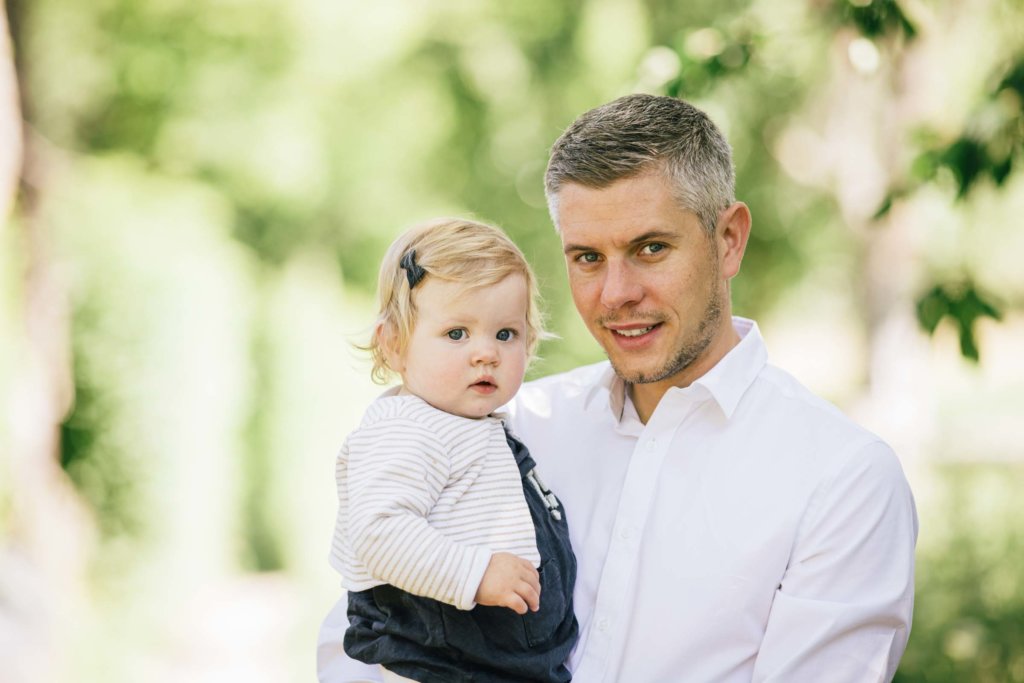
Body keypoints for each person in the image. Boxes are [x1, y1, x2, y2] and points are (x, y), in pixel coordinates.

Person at [319, 95, 918, 683]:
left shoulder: (844, 481)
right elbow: (361, 640)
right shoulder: (507, 423)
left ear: (729, 239)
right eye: (587, 257)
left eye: (650, 248)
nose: (615, 294)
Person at [329, 217, 578, 683]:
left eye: (506, 334)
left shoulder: (479, 427)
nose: (486, 353)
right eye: (457, 334)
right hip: (435, 659)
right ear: (394, 346)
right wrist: (476, 572)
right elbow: (379, 533)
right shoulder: (405, 428)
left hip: (492, 661)